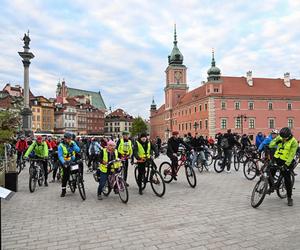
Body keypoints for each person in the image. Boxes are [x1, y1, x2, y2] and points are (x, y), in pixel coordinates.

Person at [269, 127, 298, 206]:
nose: (283, 139)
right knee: (270, 173)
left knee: (287, 179)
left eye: (285, 138)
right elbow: (271, 145)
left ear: (289, 136)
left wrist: (286, 165)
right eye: (282, 138)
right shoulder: (280, 137)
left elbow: (292, 154)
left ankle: (289, 197)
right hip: (277, 159)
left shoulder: (294, 142)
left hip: (286, 162)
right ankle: (271, 187)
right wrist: (276, 141)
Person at [58, 132, 82, 197]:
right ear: (65, 139)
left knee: (79, 167)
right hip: (65, 161)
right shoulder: (60, 145)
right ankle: (63, 190)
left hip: (72, 160)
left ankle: (78, 179)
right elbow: (60, 156)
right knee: (65, 176)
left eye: (70, 139)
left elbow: (78, 150)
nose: (69, 140)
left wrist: (73, 146)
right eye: (68, 139)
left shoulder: (72, 143)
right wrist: (64, 162)